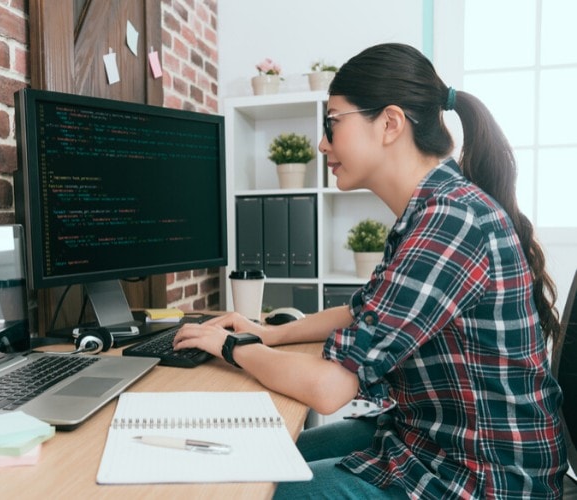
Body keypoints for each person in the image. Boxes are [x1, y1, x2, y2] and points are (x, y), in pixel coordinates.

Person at [173, 43, 567, 498]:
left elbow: (328, 389)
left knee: (255, 487)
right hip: (430, 440)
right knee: (258, 455)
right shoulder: (431, 211)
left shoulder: (450, 222)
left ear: (390, 124)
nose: (322, 143)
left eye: (333, 123)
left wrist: (231, 346)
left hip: (481, 477)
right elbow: (361, 313)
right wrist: (267, 333)